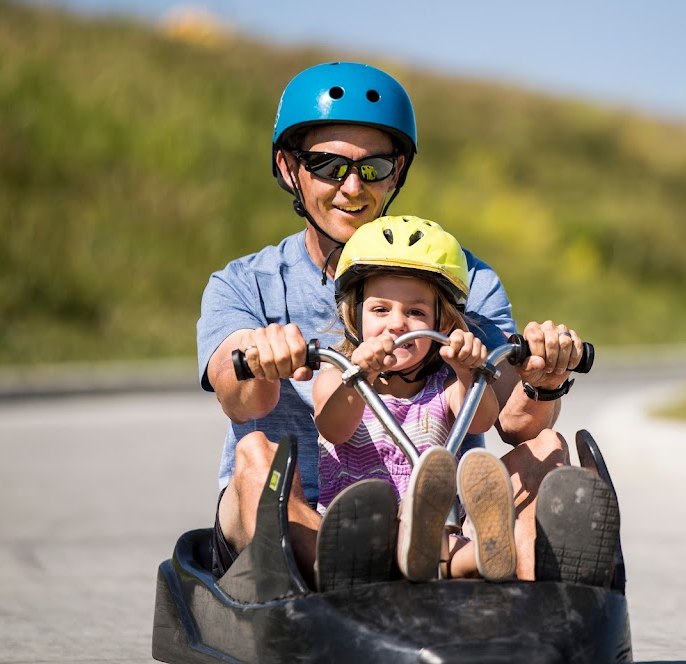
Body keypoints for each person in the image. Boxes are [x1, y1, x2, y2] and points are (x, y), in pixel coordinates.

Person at [197, 61, 615, 591]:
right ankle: (341, 572)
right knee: (255, 455)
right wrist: (263, 357)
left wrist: (544, 377)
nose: (351, 187)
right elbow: (241, 400)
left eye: (373, 168)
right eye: (327, 166)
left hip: (436, 518)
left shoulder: (457, 280)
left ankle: (543, 599)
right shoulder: (245, 283)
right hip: (301, 515)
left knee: (548, 449)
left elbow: (512, 422)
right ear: (288, 168)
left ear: (397, 173)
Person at [314, 215, 516, 583]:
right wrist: (361, 373)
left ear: (442, 326)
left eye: (415, 312)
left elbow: (481, 419)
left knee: (451, 546)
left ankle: (490, 544)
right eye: (380, 310)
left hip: (434, 539)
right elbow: (335, 427)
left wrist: (468, 370)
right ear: (354, 318)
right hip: (355, 537)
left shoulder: (444, 386)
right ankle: (447, 556)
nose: (396, 324)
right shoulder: (336, 377)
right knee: (402, 540)